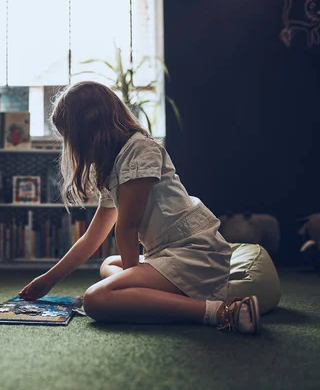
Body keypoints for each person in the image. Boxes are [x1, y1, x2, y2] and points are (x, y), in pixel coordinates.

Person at [18, 81, 260, 334]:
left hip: (194, 254)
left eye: (72, 138)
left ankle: (220, 311)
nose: (73, 148)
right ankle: (152, 301)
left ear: (90, 130)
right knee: (109, 264)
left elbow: (127, 227)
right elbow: (92, 238)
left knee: (95, 300)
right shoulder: (113, 164)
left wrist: (126, 287)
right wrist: (49, 279)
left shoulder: (141, 150)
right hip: (166, 255)